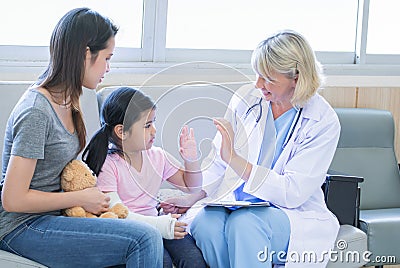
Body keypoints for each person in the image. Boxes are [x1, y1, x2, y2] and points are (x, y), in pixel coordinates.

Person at [160, 30, 341, 267]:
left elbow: (293, 192)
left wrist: (236, 160)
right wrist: (194, 196)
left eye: (268, 78)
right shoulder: (247, 98)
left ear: (297, 78)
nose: (258, 85)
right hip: (233, 201)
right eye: (257, 75)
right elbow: (218, 163)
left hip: (287, 212)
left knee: (246, 224)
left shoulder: (323, 120)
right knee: (206, 223)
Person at [0, 8, 163, 267]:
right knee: (145, 239)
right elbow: (13, 199)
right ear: (86, 54)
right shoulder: (36, 111)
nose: (108, 68)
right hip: (21, 226)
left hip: (56, 216)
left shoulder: (69, 100)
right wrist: (79, 198)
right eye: (107, 58)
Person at [82, 86, 207, 268]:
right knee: (161, 261)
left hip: (158, 224)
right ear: (121, 131)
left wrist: (191, 158)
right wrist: (161, 225)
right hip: (132, 232)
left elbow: (191, 186)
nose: (154, 131)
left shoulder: (157, 156)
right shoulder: (108, 165)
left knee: (193, 259)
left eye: (153, 122)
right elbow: (119, 214)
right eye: (147, 126)